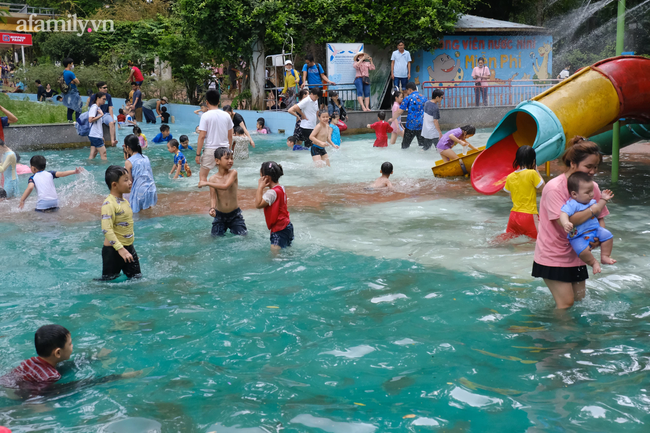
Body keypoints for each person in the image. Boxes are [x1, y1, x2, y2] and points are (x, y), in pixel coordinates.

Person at [533, 137, 613, 309]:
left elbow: (600, 217)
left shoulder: (592, 187)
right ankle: (552, 335)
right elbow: (567, 222)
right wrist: (594, 208)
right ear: (572, 163)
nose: (592, 171)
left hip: (579, 253)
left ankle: (571, 334)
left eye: (595, 167)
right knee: (566, 303)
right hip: (554, 255)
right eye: (588, 166)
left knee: (579, 301)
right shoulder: (555, 187)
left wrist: (599, 238)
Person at [559, 172, 615, 274]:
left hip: (595, 230)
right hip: (578, 235)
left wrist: (603, 199)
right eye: (587, 192)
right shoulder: (573, 204)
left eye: (591, 191)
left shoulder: (591, 201)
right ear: (574, 194)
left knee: (608, 236)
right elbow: (563, 214)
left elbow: (598, 209)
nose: (591, 194)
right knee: (582, 251)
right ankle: (593, 262)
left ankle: (605, 256)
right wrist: (565, 222)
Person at [100, 165, 142, 280]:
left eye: (129, 179)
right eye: (125, 180)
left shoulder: (124, 201)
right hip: (113, 251)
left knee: (137, 278)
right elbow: (106, 229)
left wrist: (131, 249)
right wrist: (121, 249)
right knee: (108, 284)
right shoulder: (109, 204)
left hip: (127, 248)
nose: (130, 182)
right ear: (114, 185)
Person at [0, 324, 73, 390]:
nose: (72, 346)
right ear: (58, 352)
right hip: (13, 391)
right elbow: (37, 395)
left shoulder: (29, 361)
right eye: (70, 344)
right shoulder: (51, 376)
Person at [198, 147, 247, 237]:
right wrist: (212, 208)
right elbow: (213, 197)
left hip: (235, 215)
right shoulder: (212, 179)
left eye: (232, 158)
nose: (230, 161)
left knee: (243, 237)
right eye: (227, 158)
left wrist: (206, 183)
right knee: (214, 238)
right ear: (217, 161)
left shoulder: (233, 173)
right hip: (219, 215)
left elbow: (225, 186)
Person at [501, 146, 545, 240]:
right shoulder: (532, 173)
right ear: (533, 161)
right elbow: (544, 189)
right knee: (540, 241)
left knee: (513, 242)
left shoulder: (510, 176)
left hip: (513, 216)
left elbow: (511, 197)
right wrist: (536, 171)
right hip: (528, 216)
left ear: (517, 159)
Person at [18, 155, 82, 211]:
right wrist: (74, 171)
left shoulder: (32, 177)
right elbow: (62, 173)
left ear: (33, 168)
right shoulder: (50, 173)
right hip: (55, 202)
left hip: (43, 204)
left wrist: (22, 200)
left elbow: (30, 187)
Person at [196, 90, 234, 182]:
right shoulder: (226, 115)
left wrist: (198, 154)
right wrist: (229, 150)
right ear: (219, 102)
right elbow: (230, 136)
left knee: (203, 177)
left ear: (207, 102)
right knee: (224, 177)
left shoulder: (205, 116)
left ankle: (208, 195)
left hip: (210, 149)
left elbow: (201, 136)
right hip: (224, 149)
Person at [255, 161, 293, 251]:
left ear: (267, 177)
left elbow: (258, 204)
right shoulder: (280, 187)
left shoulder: (272, 193)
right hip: (287, 226)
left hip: (279, 230)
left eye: (261, 176)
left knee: (276, 258)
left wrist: (260, 187)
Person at [123, 134, 157, 213]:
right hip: (152, 189)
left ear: (127, 147)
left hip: (140, 192)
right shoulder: (145, 157)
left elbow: (130, 181)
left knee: (139, 216)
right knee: (149, 213)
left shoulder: (128, 162)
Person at [388, 82, 426, 149]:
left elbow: (400, 111)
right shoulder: (424, 98)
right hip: (421, 125)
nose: (407, 93)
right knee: (422, 146)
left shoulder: (408, 98)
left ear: (410, 90)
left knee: (405, 146)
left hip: (410, 125)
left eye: (407, 91)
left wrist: (393, 118)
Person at [87, 91, 109, 160]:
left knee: (93, 154)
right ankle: (105, 169)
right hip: (95, 135)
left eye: (105, 99)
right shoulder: (94, 107)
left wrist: (101, 136)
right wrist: (101, 115)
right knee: (104, 153)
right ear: (98, 98)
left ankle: (87, 166)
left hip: (94, 134)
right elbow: (90, 120)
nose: (105, 101)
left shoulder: (97, 108)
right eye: (103, 99)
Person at [61, 58, 82, 123]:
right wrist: (74, 81)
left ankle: (70, 121)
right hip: (73, 91)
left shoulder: (63, 72)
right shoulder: (70, 73)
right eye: (72, 64)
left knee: (70, 107)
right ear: (69, 64)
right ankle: (78, 122)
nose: (73, 65)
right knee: (78, 107)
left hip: (67, 91)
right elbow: (78, 82)